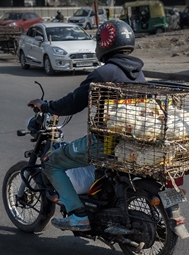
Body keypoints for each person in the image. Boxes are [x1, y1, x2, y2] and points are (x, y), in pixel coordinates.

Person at [27, 20, 145, 231]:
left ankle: (77, 215)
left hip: (105, 144)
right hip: (132, 142)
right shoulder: (138, 73)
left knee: (51, 162)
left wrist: (46, 106)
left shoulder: (103, 74)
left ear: (104, 43)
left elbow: (72, 103)